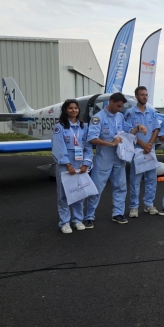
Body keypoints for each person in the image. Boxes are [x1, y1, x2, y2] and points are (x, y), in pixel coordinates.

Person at [84, 92, 128, 227]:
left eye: (121, 107)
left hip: (119, 157)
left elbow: (126, 131)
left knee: (120, 186)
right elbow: (92, 139)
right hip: (104, 157)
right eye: (118, 106)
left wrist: (138, 128)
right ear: (111, 101)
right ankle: (89, 216)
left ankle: (118, 213)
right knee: (97, 186)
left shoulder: (120, 117)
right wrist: (111, 143)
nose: (120, 109)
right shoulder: (98, 118)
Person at [52, 99, 93, 234]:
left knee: (79, 192)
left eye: (76, 108)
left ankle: (77, 220)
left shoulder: (83, 127)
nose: (74, 110)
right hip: (66, 163)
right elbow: (58, 147)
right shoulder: (60, 127)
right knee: (63, 194)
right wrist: (67, 164)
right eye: (70, 108)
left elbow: (87, 146)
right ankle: (64, 222)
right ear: (65, 110)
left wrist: (86, 163)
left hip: (80, 163)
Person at [124, 86, 161, 217]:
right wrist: (143, 145)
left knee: (152, 179)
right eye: (142, 95)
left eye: (146, 95)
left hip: (150, 150)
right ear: (136, 96)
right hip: (137, 151)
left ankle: (149, 204)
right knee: (135, 180)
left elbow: (156, 129)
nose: (145, 97)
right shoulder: (130, 113)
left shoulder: (152, 111)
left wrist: (150, 144)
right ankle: (134, 207)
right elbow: (129, 132)